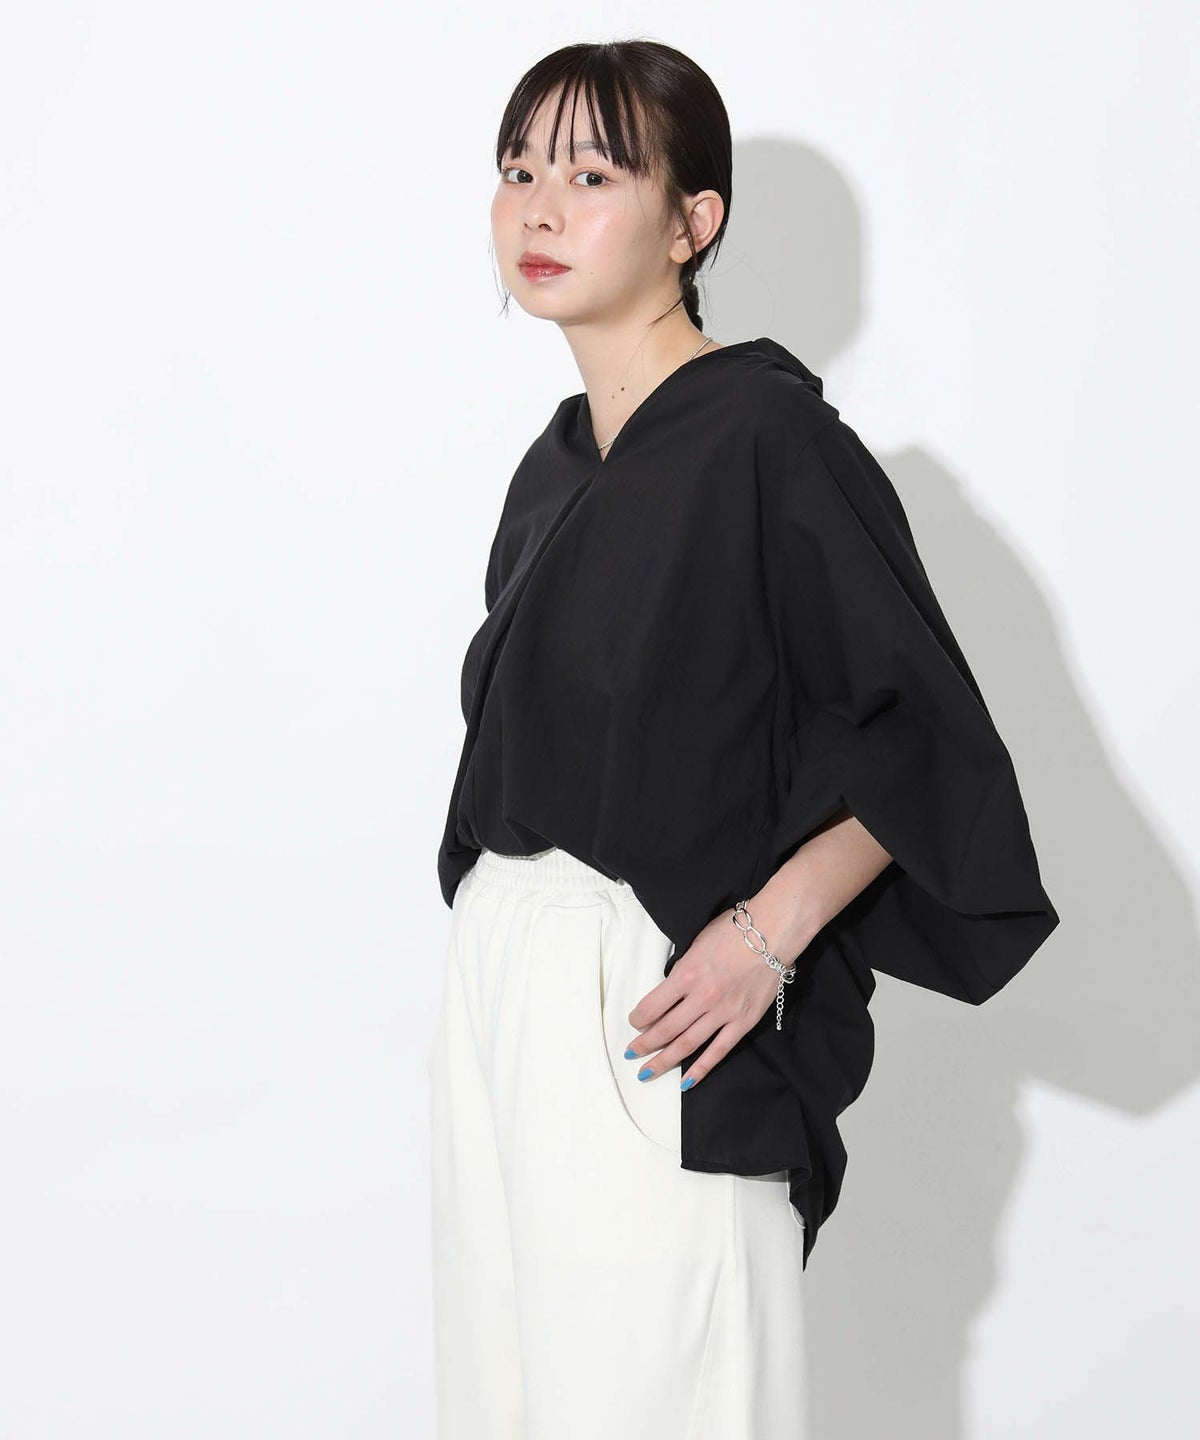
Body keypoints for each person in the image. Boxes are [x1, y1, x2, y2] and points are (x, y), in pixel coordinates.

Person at [427, 38, 1059, 1440]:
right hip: (502, 993)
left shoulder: (768, 437)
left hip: (654, 1009)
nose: (539, 207)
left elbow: (926, 740)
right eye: (517, 170)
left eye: (593, 174)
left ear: (691, 221)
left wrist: (764, 938)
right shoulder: (557, 465)